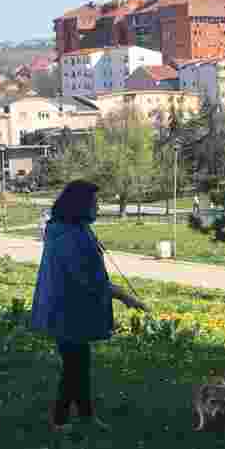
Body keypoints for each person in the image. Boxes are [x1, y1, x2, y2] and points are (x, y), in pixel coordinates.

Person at [31, 180, 146, 433]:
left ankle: (85, 416)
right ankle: (59, 421)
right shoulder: (70, 236)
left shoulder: (69, 229)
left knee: (79, 365)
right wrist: (126, 297)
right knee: (75, 368)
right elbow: (89, 280)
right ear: (80, 205)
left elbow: (91, 278)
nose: (98, 207)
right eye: (94, 202)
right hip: (66, 312)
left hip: (68, 310)